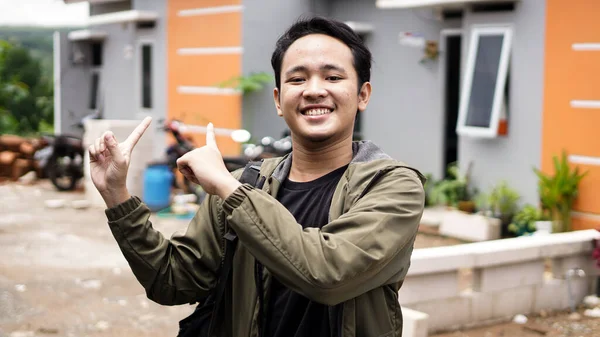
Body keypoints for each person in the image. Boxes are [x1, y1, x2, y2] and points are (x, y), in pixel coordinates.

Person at [88, 16, 425, 337]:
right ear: (279, 100)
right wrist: (117, 194)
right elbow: (172, 280)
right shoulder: (247, 183)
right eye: (297, 79)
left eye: (333, 78)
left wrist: (226, 187)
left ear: (362, 94)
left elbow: (327, 274)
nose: (314, 90)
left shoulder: (391, 186)